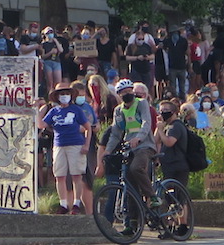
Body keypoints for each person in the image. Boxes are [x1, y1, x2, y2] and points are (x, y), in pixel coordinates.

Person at [101, 78, 156, 205]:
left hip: (145, 145)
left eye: (129, 91)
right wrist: (108, 150)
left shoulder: (141, 103)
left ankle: (152, 196)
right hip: (129, 147)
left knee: (136, 168)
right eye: (123, 92)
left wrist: (139, 137)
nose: (127, 94)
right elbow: (116, 133)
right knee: (129, 182)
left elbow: (146, 122)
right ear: (119, 95)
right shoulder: (118, 111)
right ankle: (132, 220)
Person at [41, 85, 91, 216]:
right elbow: (41, 124)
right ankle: (63, 203)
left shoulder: (76, 110)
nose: (64, 96)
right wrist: (38, 110)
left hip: (75, 144)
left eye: (66, 93)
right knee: (60, 175)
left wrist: (86, 144)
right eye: (61, 94)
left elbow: (88, 127)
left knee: (76, 175)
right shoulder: (54, 111)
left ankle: (76, 203)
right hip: (59, 144)